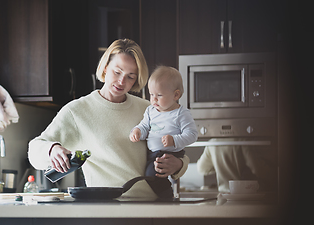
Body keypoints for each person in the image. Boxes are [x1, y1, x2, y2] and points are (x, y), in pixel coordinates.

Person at [28, 39, 190, 198]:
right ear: (105, 67)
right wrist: (52, 150)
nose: (122, 81)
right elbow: (35, 150)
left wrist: (179, 165)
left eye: (130, 76)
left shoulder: (147, 109)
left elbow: (175, 150)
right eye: (117, 72)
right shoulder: (77, 111)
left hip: (151, 206)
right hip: (107, 209)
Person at [129, 66, 198, 198]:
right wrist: (137, 131)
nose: (154, 99)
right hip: (152, 154)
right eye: (151, 94)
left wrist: (174, 140)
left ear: (176, 95)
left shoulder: (181, 114)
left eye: (159, 95)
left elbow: (192, 135)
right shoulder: (150, 111)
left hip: (170, 153)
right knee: (151, 174)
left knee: (152, 175)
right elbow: (144, 126)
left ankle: (167, 197)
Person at [196, 138, 277, 192]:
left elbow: (201, 169)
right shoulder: (241, 140)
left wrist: (219, 165)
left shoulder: (213, 143)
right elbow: (257, 169)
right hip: (243, 195)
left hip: (222, 194)